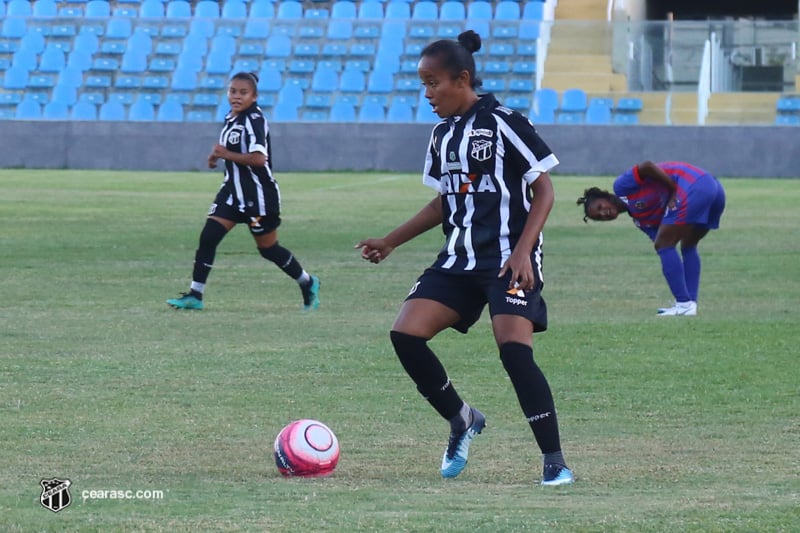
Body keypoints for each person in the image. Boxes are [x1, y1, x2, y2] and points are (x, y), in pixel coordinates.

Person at [356, 31, 574, 486]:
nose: (427, 93)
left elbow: (545, 190)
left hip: (508, 261)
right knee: (406, 334)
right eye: (423, 84)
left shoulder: (504, 121)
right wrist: (392, 240)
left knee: (514, 353)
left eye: (433, 83)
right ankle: (461, 419)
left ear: (462, 79)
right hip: (458, 259)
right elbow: (443, 203)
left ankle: (555, 462)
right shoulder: (441, 135)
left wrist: (522, 252)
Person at [167, 72, 320, 311]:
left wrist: (225, 155)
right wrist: (214, 157)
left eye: (243, 92)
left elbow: (259, 159)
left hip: (258, 195)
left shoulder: (254, 121)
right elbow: (227, 148)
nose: (236, 97)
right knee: (208, 237)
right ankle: (195, 295)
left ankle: (308, 282)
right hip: (231, 193)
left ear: (254, 96)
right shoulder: (231, 118)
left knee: (268, 249)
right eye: (233, 92)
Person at [576, 160, 726, 316]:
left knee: (664, 245)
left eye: (600, 206)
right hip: (714, 189)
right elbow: (662, 242)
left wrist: (673, 189)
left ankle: (683, 303)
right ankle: (690, 303)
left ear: (606, 196)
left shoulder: (621, 187)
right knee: (688, 244)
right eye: (599, 217)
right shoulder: (642, 221)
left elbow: (646, 166)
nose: (603, 213)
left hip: (694, 185)